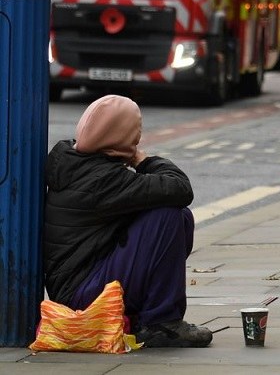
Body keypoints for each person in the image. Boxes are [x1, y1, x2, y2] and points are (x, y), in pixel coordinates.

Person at [43, 94, 213, 348]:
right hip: (83, 298)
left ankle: (150, 313)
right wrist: (143, 161)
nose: (138, 137)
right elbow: (179, 188)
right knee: (167, 216)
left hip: (78, 284)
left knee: (177, 216)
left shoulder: (77, 163)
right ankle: (161, 322)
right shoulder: (101, 180)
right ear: (121, 136)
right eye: (136, 130)